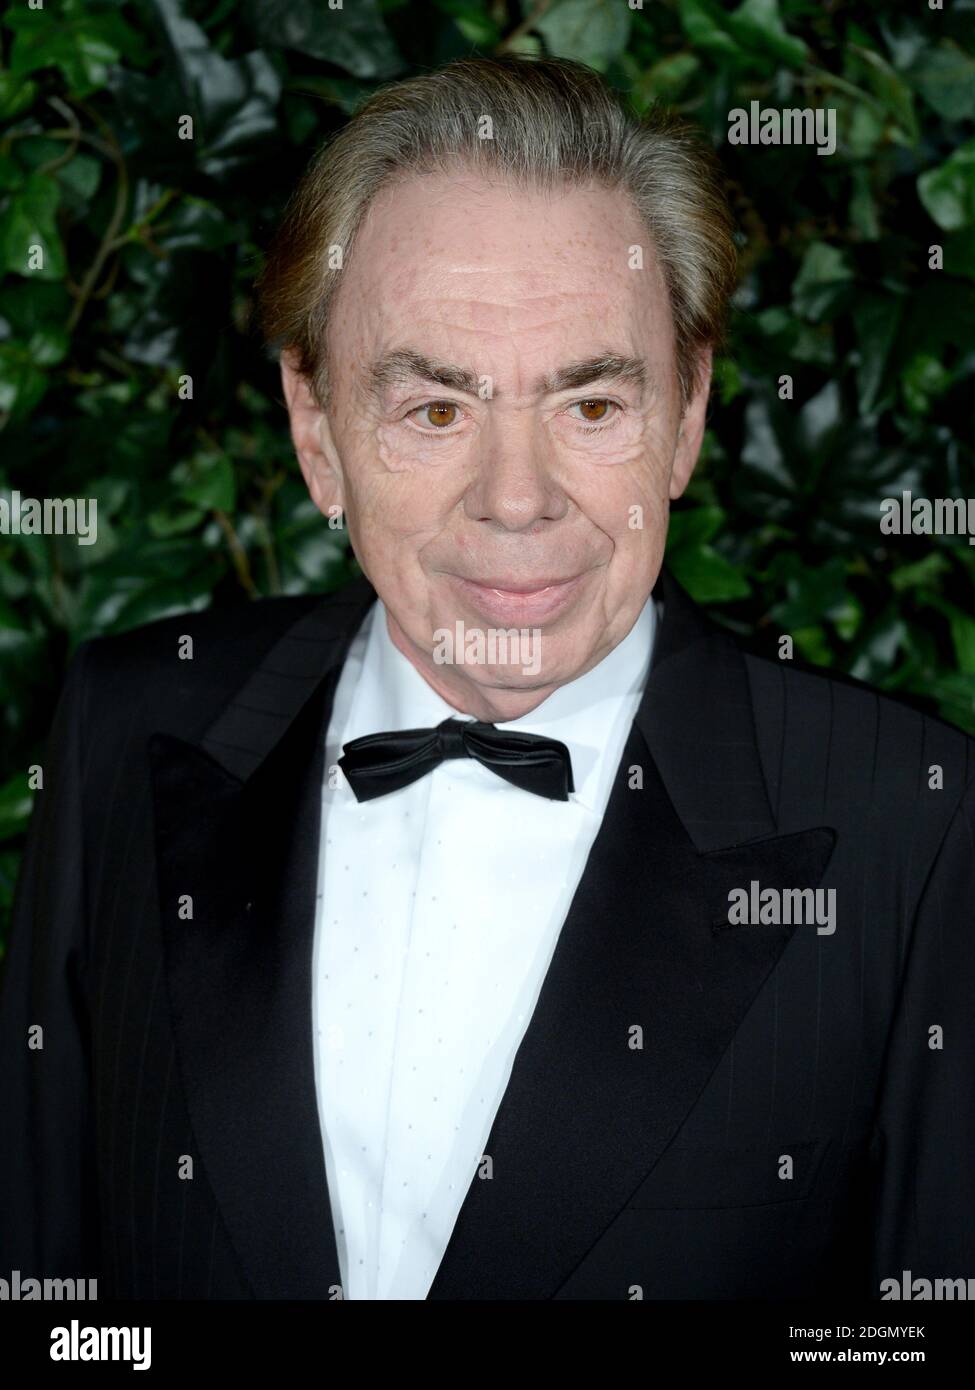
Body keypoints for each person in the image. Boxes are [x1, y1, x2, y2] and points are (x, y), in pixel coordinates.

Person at [1, 55, 973, 1302]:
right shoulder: (124, 725)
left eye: (591, 405)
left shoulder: (913, 819)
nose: (517, 503)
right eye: (437, 411)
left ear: (684, 416)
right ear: (317, 429)